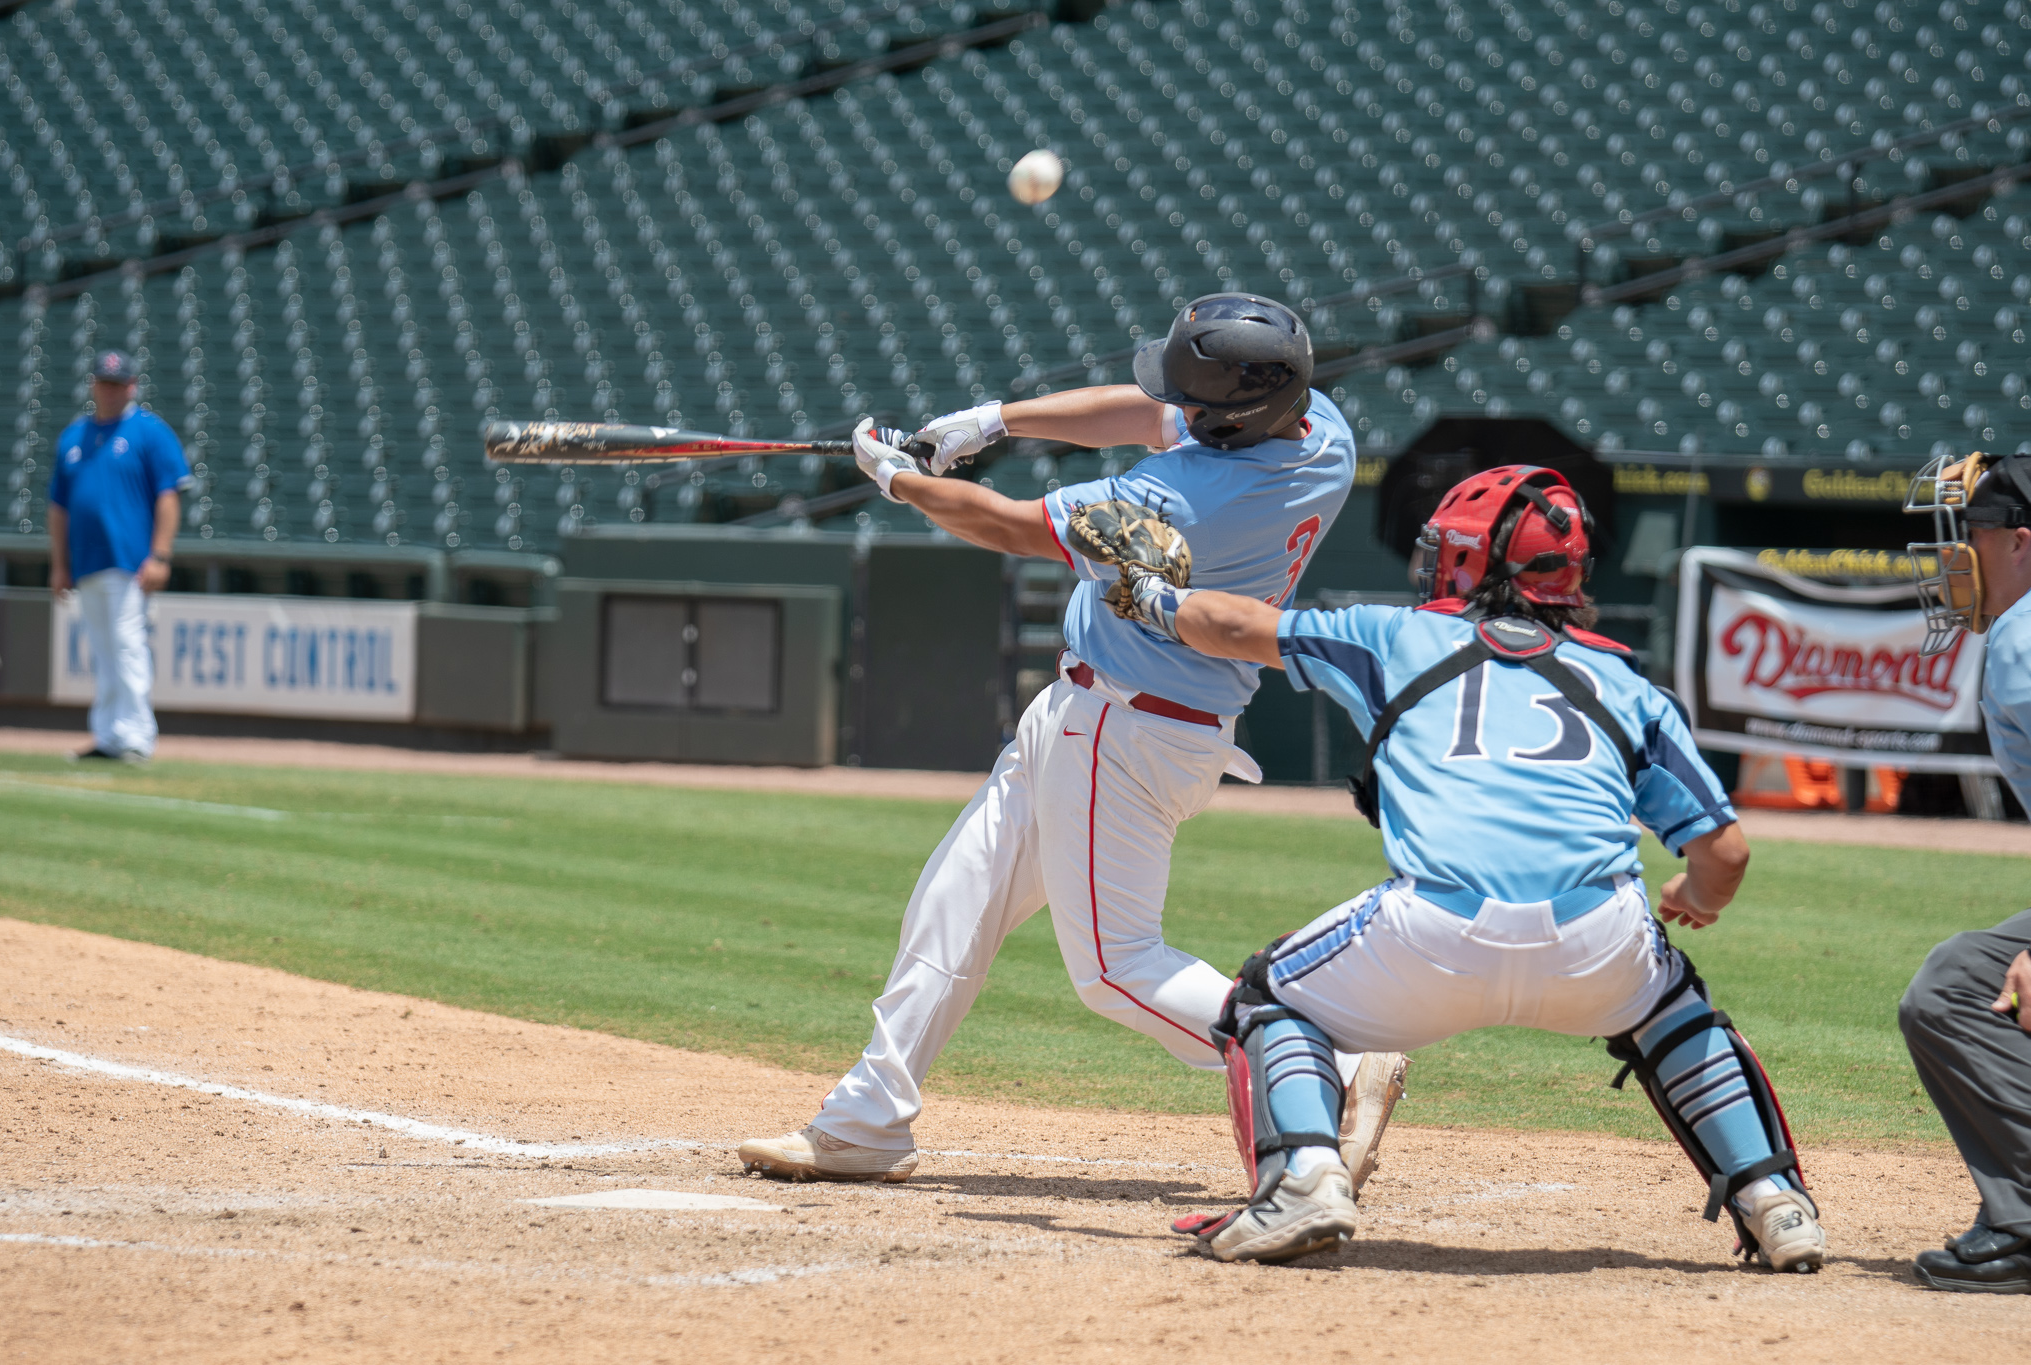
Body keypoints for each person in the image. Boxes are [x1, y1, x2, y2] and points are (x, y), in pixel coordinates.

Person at [737, 294, 1408, 1185]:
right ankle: (866, 1119)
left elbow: (1007, 526)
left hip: (1126, 730)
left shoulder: (1177, 501)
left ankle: (1327, 1062)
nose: (1179, 409)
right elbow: (1143, 412)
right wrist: (989, 421)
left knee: (1115, 967)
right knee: (956, 898)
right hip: (1102, 714)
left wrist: (902, 481)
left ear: (1235, 413)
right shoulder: (1317, 429)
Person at [1089, 463, 1828, 1270]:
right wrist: (1697, 893)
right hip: (1600, 939)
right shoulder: (1624, 680)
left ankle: (1304, 1177)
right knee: (1674, 1009)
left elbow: (1235, 626)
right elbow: (1725, 849)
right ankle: (1775, 1200)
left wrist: (1151, 595)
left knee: (1265, 993)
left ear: (1466, 562)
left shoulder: (1394, 636)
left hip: (1432, 932)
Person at [1898, 451, 2031, 1292]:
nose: (1954, 557)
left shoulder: (2024, 638)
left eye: (1971, 536)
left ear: (2021, 543)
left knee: (1953, 989)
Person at [46, 350, 188, 763]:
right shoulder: (73, 437)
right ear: (93, 385)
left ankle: (137, 736)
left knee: (126, 645)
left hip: (129, 561)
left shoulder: (149, 432)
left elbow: (169, 495)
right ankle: (109, 735)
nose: (110, 390)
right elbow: (58, 507)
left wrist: (160, 554)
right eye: (103, 382)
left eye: (117, 383)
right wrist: (59, 563)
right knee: (103, 650)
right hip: (87, 561)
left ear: (132, 386)